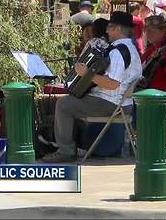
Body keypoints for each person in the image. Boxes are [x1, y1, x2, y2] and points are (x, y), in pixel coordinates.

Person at [43, 11, 142, 163]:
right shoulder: (132, 49)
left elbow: (112, 84)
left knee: (63, 104)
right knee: (73, 99)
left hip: (111, 103)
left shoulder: (117, 52)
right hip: (124, 103)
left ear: (118, 29)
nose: (106, 31)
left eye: (109, 27)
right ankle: (76, 145)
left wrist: (86, 75)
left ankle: (65, 150)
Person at [140, 15, 166, 146]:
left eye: (154, 30)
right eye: (147, 29)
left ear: (164, 31)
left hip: (165, 99)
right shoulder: (152, 49)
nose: (149, 33)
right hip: (148, 98)